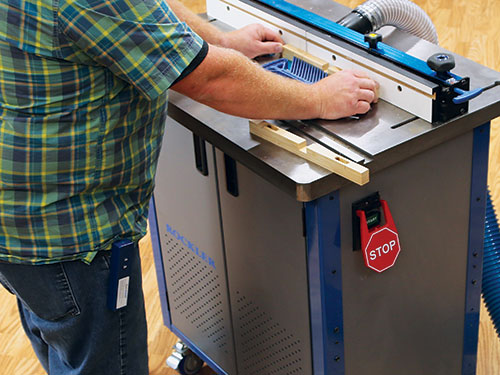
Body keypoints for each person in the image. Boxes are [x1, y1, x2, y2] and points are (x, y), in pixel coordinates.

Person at [0, 0, 378, 373]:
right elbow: (211, 79)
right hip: (70, 237)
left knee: (62, 345)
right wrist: (319, 97)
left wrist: (221, 42)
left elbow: (146, 10)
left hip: (20, 218)